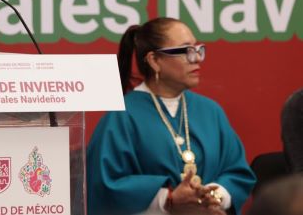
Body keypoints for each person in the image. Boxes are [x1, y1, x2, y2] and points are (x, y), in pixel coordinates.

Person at [86, 17, 255, 215]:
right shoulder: (122, 116)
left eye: (198, 49)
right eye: (186, 50)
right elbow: (105, 186)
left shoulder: (210, 111)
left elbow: (237, 172)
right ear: (154, 61)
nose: (197, 58)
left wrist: (212, 197)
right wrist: (168, 200)